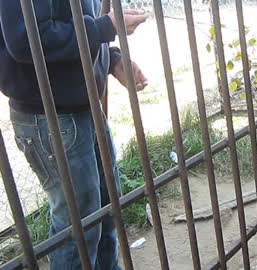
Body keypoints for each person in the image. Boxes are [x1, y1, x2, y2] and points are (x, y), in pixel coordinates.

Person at [0, 1, 148, 269]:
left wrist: (112, 60)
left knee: (105, 208)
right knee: (78, 225)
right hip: (49, 115)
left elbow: (78, 22)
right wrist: (106, 27)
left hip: (84, 106)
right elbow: (25, 39)